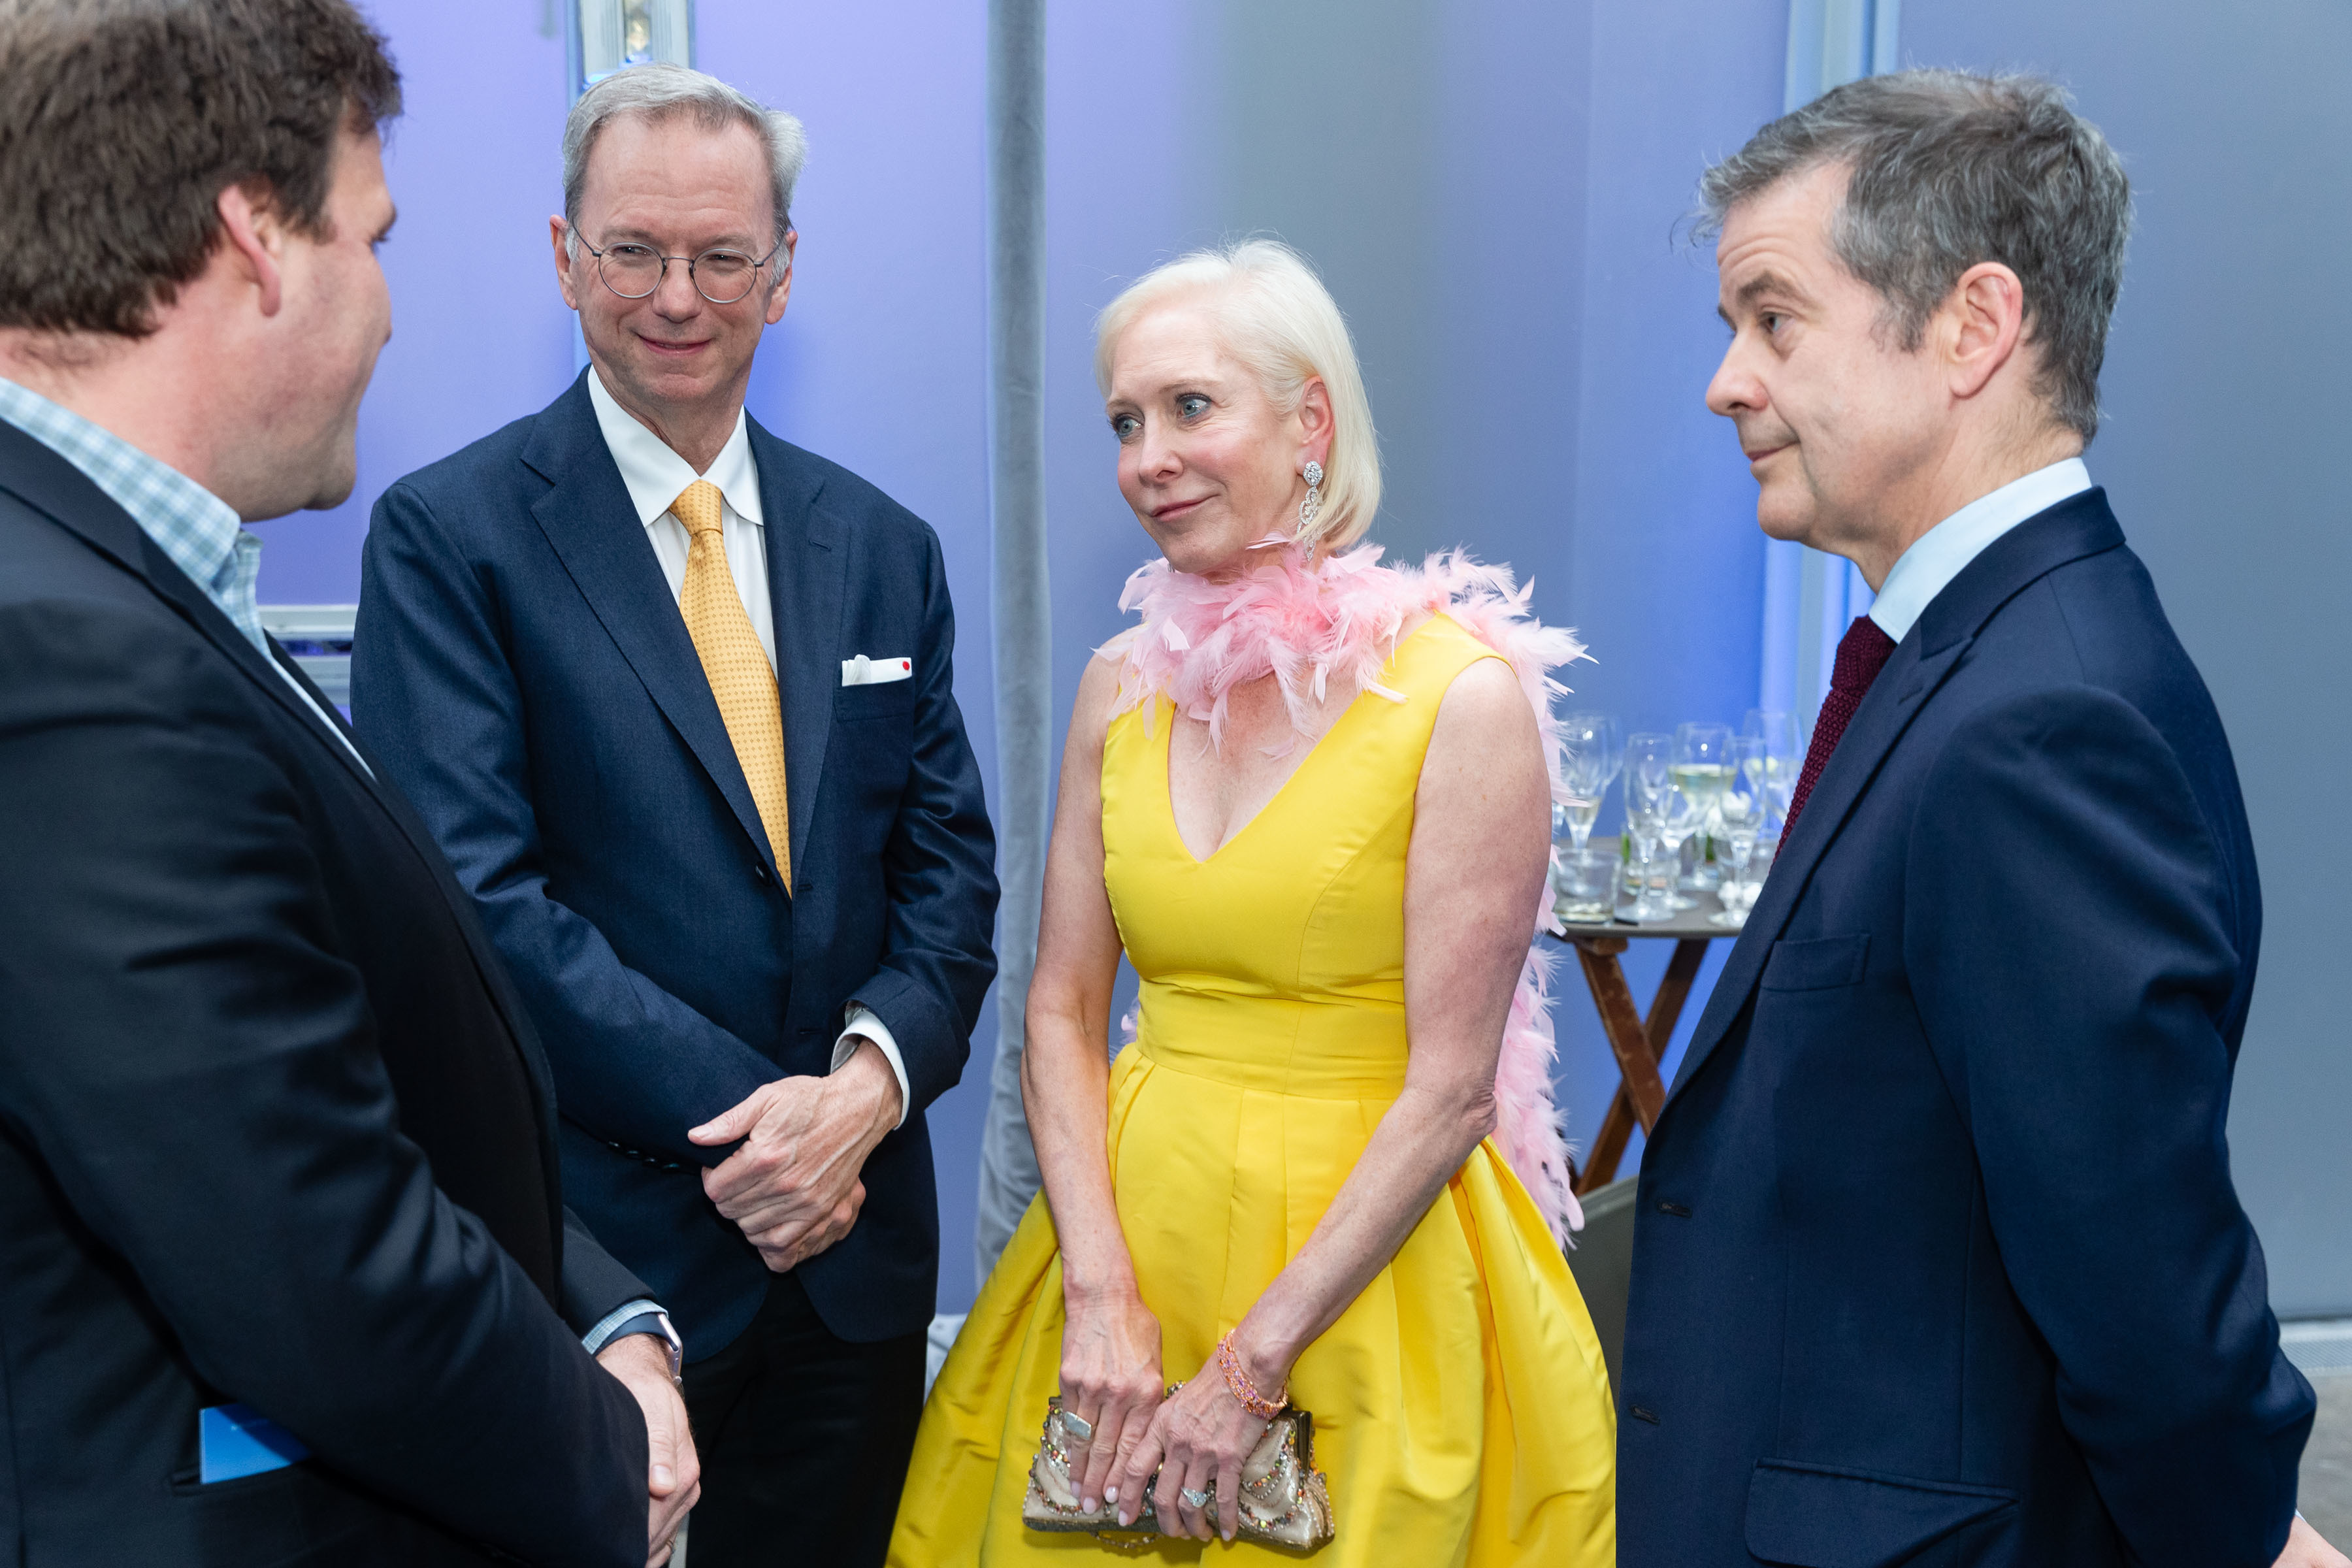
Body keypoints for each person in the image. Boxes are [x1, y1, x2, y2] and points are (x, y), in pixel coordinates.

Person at [0, 3, 695, 1565]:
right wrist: (608, 1468)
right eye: (370, 240)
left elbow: (358, 1081)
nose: (387, 311)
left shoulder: (128, 592)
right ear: (257, 243)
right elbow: (310, 1260)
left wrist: (604, 1314)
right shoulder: (65, 653)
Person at [1619, 70, 2338, 1568]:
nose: (1727, 382)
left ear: (1973, 326)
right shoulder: (1973, 662)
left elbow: (2146, 1299)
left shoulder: (2038, 722)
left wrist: (2243, 1532)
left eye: (1774, 316)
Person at [352, 61, 999, 1568]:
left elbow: (949, 869)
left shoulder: (884, 546)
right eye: (634, 251)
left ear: (784, 278)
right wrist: (775, 1134)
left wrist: (861, 1097)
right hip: (601, 1270)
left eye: (721, 257)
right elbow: (478, 912)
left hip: (852, 1270)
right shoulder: (453, 540)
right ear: (565, 257)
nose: (676, 295)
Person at [890, 240, 1616, 1566]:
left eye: (1190, 407)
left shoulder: (1459, 698)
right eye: (1123, 421)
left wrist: (1249, 1370)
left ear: (1311, 424)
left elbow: (1455, 1090)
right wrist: (1102, 1298)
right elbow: (1057, 1007)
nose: (1147, 457)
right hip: (1130, 1247)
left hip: (1367, 1279)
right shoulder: (1120, 684)